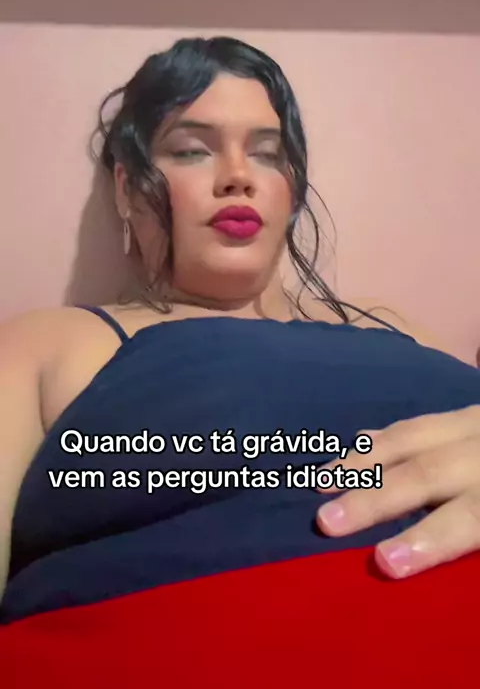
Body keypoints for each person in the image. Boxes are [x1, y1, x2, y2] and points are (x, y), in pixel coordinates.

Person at [0, 37, 479, 684]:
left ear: (292, 190)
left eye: (267, 153)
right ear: (127, 188)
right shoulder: (50, 342)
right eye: (191, 150)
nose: (238, 176)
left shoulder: (389, 324)